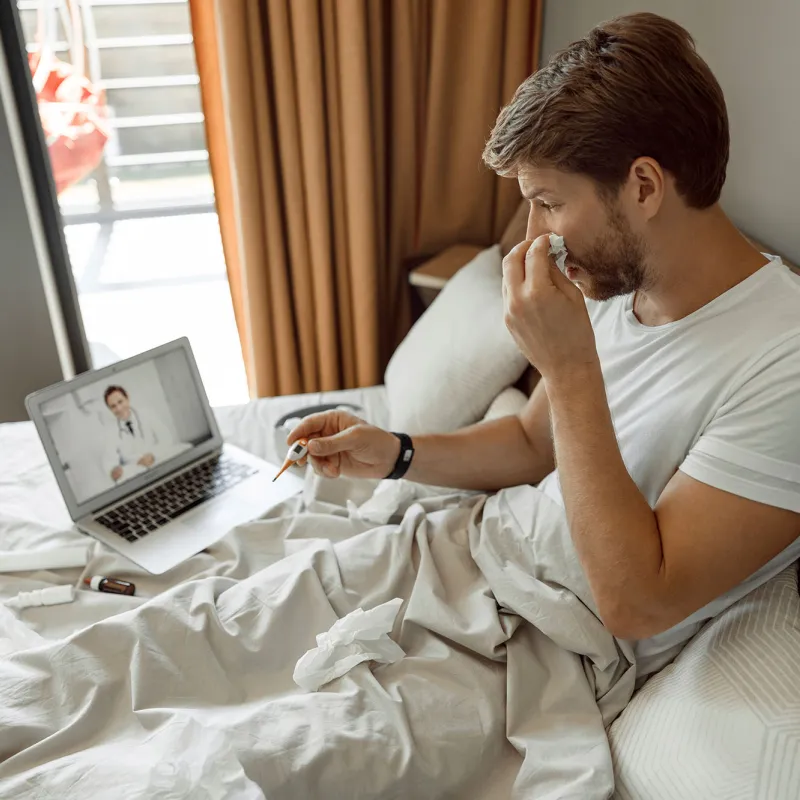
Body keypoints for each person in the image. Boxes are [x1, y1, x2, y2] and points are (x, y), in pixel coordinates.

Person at [289, 12, 800, 678]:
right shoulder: (619, 286)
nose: (533, 238)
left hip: (533, 643)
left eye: (548, 203)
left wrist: (569, 367)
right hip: (472, 552)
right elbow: (534, 446)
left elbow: (640, 603)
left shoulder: (783, 359)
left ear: (644, 187)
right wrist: (395, 452)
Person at [103, 385, 175, 483]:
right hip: (134, 469)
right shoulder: (110, 431)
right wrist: (114, 470)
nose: (119, 408)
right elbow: (109, 460)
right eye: (113, 406)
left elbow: (166, 438)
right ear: (109, 409)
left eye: (120, 402)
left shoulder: (147, 413)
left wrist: (153, 455)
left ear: (127, 398)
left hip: (158, 458)